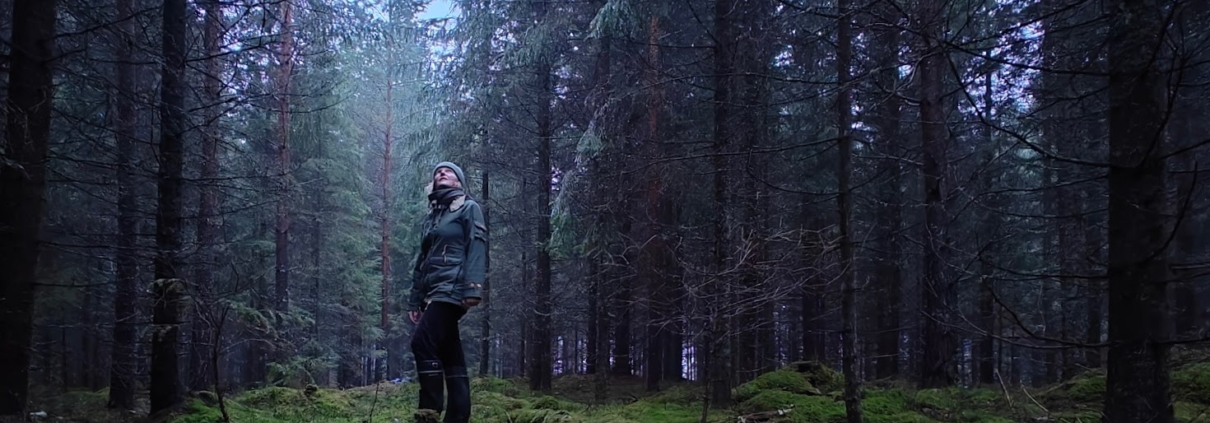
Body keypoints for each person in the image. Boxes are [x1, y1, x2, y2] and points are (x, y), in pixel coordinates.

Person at [407, 161, 487, 423]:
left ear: (458, 181)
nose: (442, 173)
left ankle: (428, 413)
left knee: (421, 342)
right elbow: (423, 259)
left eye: (448, 171)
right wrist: (415, 299)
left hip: (452, 288)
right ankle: (458, 416)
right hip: (432, 290)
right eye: (438, 172)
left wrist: (473, 287)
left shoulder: (468, 207)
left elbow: (477, 246)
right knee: (450, 351)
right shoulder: (432, 217)